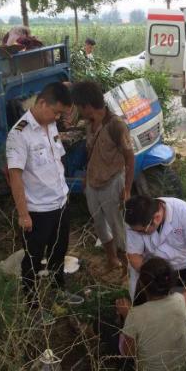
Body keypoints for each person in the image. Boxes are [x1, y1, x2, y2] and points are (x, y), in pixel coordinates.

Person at [5, 82, 78, 310]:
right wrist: (23, 214)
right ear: (42, 103)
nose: (57, 117)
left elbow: (57, 162)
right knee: (33, 259)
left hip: (60, 202)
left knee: (59, 250)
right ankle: (32, 304)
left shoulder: (50, 125)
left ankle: (58, 289)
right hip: (38, 211)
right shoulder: (19, 134)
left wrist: (64, 196)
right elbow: (15, 177)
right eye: (56, 112)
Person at [124, 196, 186, 332]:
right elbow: (134, 256)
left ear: (157, 218)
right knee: (139, 303)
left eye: (142, 231)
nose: (139, 233)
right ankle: (149, 324)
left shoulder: (182, 210)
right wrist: (152, 279)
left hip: (184, 262)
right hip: (155, 268)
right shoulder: (134, 220)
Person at [71, 81, 135, 271]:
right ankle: (111, 259)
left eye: (78, 106)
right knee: (99, 225)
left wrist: (128, 189)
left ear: (87, 106)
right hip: (93, 183)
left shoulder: (116, 125)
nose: (78, 111)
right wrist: (86, 178)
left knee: (118, 227)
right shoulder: (89, 125)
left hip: (112, 182)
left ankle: (127, 267)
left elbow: (130, 159)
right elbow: (91, 154)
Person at [115, 257, 186, 371]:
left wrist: (127, 316)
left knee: (106, 328)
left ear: (143, 285)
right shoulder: (180, 299)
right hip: (181, 370)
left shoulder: (135, 315)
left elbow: (128, 353)